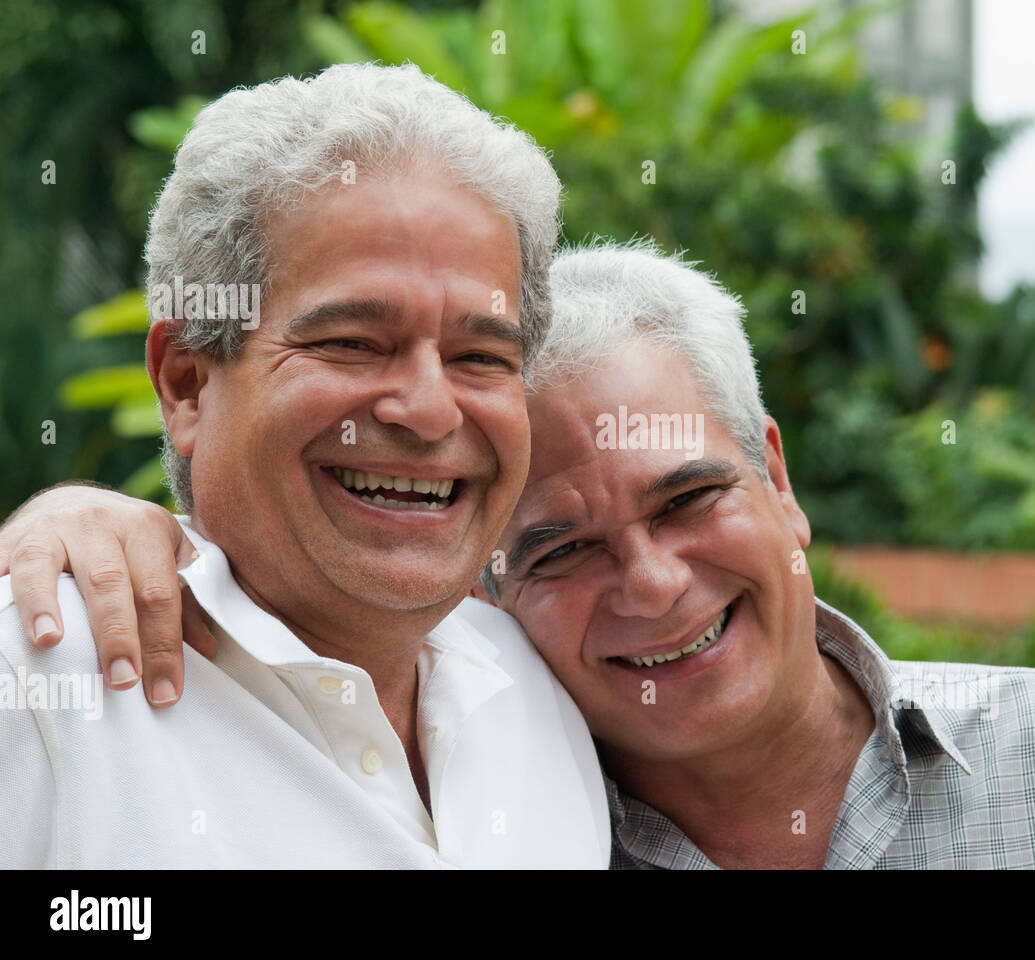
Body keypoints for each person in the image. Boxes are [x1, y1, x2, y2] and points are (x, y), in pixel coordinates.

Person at [3, 239, 1035, 869]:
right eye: (560, 548)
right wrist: (88, 523)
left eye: (688, 497)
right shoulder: (509, 829)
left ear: (778, 479)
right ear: (481, 585)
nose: (650, 583)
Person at [0, 63, 609, 868]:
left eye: (480, 356)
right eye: (350, 343)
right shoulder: (39, 685)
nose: (429, 410)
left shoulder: (542, 685)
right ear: (186, 382)